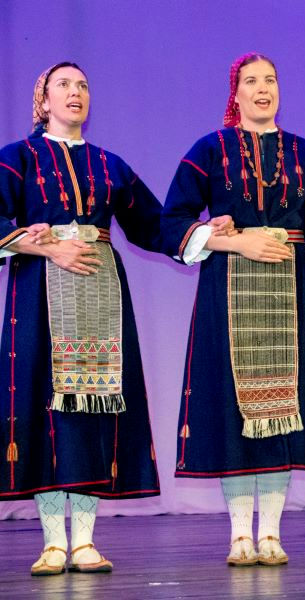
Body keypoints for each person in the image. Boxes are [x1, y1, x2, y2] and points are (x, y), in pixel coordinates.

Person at [162, 53, 305, 567]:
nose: (263, 89)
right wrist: (229, 240)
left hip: (292, 287)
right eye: (251, 81)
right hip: (229, 288)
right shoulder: (210, 149)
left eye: (271, 80)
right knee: (235, 408)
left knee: (284, 407)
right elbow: (172, 220)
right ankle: (240, 533)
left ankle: (273, 532)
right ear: (235, 93)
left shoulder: (302, 152)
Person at [0, 62, 162, 575]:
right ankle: (53, 542)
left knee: (94, 410)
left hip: (100, 295)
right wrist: (46, 246)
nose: (76, 92)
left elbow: (154, 224)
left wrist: (208, 231)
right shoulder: (17, 158)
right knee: (46, 411)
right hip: (39, 295)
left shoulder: (109, 165)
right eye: (64, 85)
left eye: (83, 86)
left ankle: (86, 541)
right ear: (43, 101)